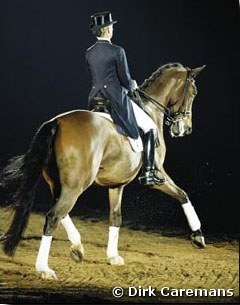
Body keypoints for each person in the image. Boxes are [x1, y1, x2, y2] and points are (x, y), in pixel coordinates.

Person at [86, 11, 165, 186]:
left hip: (95, 99)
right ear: (106, 30)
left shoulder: (89, 52)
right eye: (111, 26)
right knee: (150, 127)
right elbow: (125, 79)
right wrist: (132, 85)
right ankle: (149, 172)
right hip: (114, 98)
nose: (113, 29)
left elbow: (96, 77)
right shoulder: (117, 51)